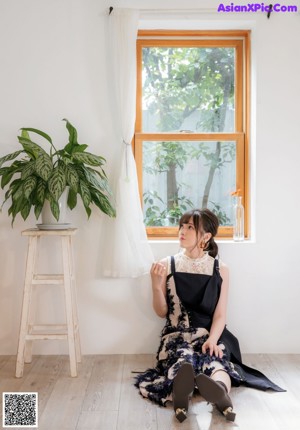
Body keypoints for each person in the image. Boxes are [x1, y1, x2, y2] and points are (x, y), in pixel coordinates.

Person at [135, 208, 285, 423]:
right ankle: (181, 394)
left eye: (190, 227)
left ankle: (220, 392)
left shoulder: (220, 269)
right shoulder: (167, 264)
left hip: (209, 333)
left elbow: (221, 315)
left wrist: (213, 340)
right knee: (182, 359)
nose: (182, 231)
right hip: (177, 334)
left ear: (206, 237)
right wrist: (156, 286)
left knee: (216, 362)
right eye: (182, 226)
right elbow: (161, 313)